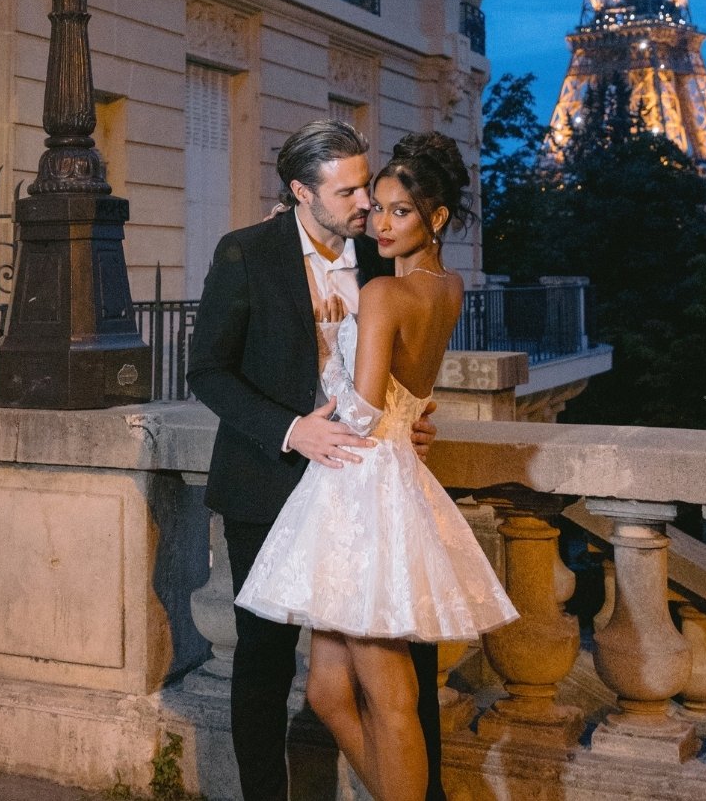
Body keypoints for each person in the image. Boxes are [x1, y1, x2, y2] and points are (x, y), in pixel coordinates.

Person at [235, 133, 518, 801]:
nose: (380, 223)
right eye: (378, 208)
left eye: (400, 212)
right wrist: (408, 415)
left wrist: (323, 421)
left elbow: (360, 410)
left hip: (359, 486)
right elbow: (408, 389)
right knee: (330, 691)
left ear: (437, 218)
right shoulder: (448, 287)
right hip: (386, 473)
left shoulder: (386, 295)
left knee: (390, 696)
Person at [187, 120, 447, 801]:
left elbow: (407, 352)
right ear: (302, 191)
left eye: (368, 184)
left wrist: (408, 419)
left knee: (408, 657)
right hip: (267, 484)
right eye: (350, 190)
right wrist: (289, 430)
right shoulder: (244, 253)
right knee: (265, 661)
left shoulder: (384, 250)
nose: (366, 201)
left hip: (368, 494)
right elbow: (207, 371)